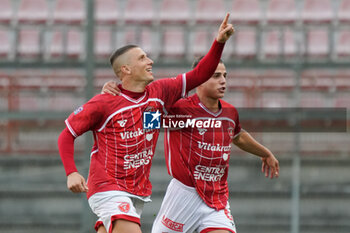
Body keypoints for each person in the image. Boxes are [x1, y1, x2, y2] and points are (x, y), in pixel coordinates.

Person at [57, 14, 234, 233]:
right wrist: (71, 172)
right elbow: (67, 134)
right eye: (142, 58)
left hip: (137, 190)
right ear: (126, 70)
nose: (150, 61)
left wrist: (219, 43)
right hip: (107, 187)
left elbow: (200, 74)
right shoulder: (104, 102)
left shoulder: (160, 92)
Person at [102, 58, 279, 233]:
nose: (223, 81)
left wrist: (265, 153)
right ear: (200, 79)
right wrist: (116, 92)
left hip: (216, 196)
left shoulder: (229, 112)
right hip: (184, 194)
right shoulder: (179, 109)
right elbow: (143, 119)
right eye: (216, 76)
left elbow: (238, 136)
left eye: (225, 75)